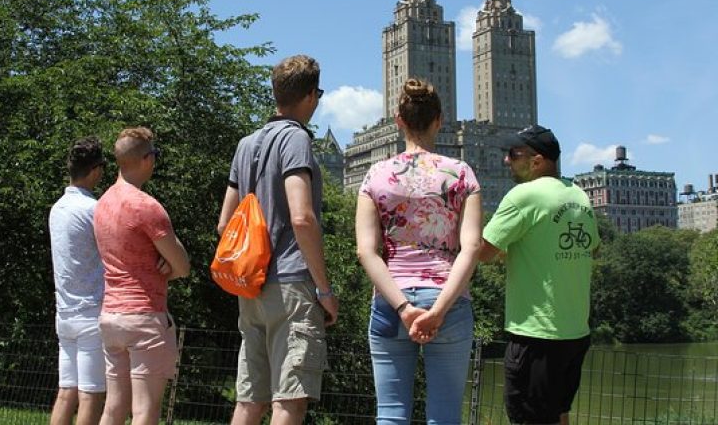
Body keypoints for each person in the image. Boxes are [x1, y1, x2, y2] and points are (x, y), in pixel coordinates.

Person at [217, 54, 339, 425]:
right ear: (308, 96)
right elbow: (302, 217)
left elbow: (225, 224)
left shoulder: (246, 144)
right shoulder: (296, 139)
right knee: (290, 398)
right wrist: (324, 290)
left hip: (251, 286)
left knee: (250, 400)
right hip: (291, 285)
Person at [355, 78, 483, 425]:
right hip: (449, 300)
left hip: (390, 301)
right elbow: (470, 247)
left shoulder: (376, 175)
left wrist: (404, 308)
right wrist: (438, 311)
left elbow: (367, 251)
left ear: (399, 120)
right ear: (439, 120)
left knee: (391, 415)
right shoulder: (460, 173)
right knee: (444, 416)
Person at [480, 125, 600, 425]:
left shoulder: (524, 195)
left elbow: (483, 251)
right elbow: (593, 250)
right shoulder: (579, 196)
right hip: (575, 333)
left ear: (537, 161)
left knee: (528, 418)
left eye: (513, 154)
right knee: (559, 415)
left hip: (536, 334)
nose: (507, 160)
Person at [94, 127, 190, 425]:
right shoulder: (147, 207)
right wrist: (166, 265)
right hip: (145, 316)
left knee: (113, 407)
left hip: (111, 316)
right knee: (145, 411)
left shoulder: (102, 204)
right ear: (147, 159)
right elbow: (183, 266)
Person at [49, 137, 108, 425]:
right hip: (91, 314)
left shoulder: (57, 209)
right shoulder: (93, 210)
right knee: (91, 395)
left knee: (66, 393)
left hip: (65, 313)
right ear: (96, 170)